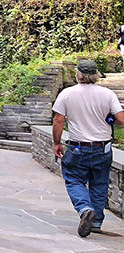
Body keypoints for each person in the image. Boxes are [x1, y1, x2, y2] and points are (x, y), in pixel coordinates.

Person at [52, 59, 124, 237]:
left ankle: (84, 209)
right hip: (103, 148)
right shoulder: (107, 94)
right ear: (96, 75)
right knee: (99, 184)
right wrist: (111, 121)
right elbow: (121, 119)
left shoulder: (67, 94)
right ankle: (96, 222)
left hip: (78, 148)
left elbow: (59, 120)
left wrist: (57, 142)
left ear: (78, 74)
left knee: (73, 179)